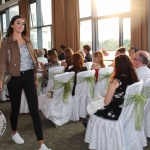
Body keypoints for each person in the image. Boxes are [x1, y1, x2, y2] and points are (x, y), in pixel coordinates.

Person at [0, 15, 51, 150]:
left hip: (28, 76)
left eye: (23, 23)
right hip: (14, 78)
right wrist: (0, 79)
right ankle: (14, 132)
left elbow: (32, 59)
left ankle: (41, 144)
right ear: (12, 25)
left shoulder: (27, 40)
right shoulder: (6, 42)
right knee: (15, 109)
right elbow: (2, 63)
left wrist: (34, 78)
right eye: (18, 23)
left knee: (35, 111)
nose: (21, 25)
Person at [83, 55, 139, 127]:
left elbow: (106, 103)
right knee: (99, 101)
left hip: (115, 112)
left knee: (95, 107)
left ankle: (92, 125)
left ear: (118, 66)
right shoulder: (133, 78)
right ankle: (91, 123)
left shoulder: (115, 81)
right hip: (127, 111)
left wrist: (105, 97)